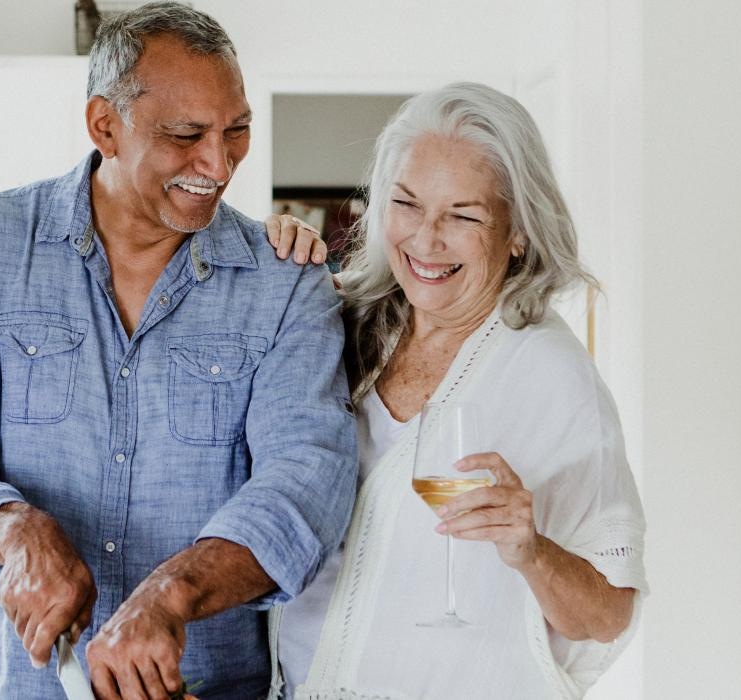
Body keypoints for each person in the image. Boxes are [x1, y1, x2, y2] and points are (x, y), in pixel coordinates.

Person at [0, 3, 355, 698]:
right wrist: (13, 530)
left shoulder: (286, 282)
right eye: (186, 134)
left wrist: (170, 595)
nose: (219, 163)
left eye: (237, 130)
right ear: (105, 125)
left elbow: (307, 483)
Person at [265, 82, 646, 699]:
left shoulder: (552, 377)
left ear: (517, 231)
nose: (425, 239)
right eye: (407, 204)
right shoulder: (343, 322)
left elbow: (607, 616)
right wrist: (272, 261)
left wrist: (530, 549)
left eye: (463, 215)